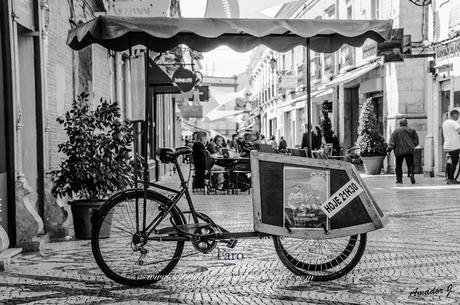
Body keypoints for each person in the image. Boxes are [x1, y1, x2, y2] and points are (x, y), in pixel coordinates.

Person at [387, 118, 419, 184]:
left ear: (400, 124)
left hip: (399, 151)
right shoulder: (412, 130)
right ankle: (411, 174)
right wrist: (413, 146)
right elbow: (416, 141)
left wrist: (389, 149)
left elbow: (392, 142)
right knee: (410, 164)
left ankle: (399, 179)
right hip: (409, 150)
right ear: (406, 123)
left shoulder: (396, 131)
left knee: (398, 166)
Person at [442, 109, 460, 184]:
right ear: (454, 115)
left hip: (447, 145)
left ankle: (448, 178)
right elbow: (459, 130)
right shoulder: (453, 122)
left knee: (450, 162)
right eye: (458, 115)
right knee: (454, 162)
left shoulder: (445, 122)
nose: (458, 117)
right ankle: (451, 179)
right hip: (454, 146)